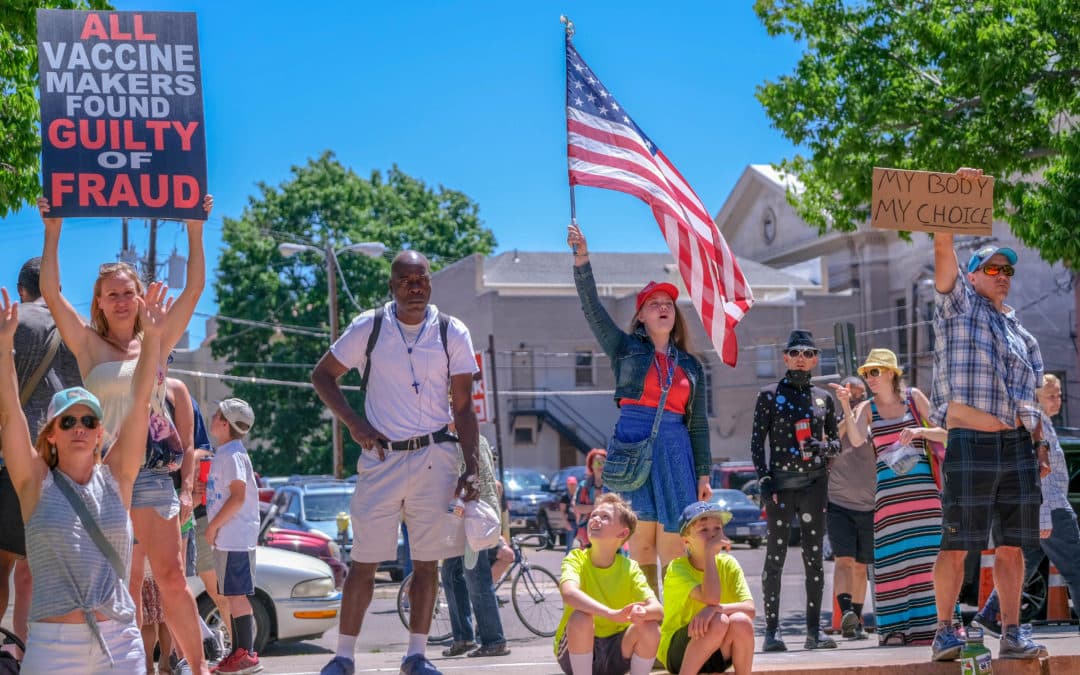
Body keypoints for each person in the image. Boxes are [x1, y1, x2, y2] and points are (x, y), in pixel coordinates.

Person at [38, 195, 214, 675]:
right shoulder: (89, 347)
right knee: (126, 584)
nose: (119, 300)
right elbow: (52, 293)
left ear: (139, 298)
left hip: (154, 478)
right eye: (110, 293)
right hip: (103, 477)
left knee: (173, 579)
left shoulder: (157, 340)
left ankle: (197, 669)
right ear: (97, 301)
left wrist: (195, 229)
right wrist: (53, 231)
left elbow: (194, 288)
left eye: (127, 292)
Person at [311, 250, 481, 675]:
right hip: (382, 458)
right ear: (392, 285)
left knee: (427, 563)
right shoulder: (369, 326)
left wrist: (472, 465)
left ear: (430, 283)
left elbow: (463, 407)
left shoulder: (451, 331)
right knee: (364, 563)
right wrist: (354, 424)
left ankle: (416, 656)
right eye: (405, 280)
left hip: (435, 456)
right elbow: (322, 375)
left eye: (421, 278)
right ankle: (344, 657)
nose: (414, 286)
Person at [0, 282, 167, 672]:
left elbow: (140, 403)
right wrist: (5, 348)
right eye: (68, 420)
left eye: (89, 420)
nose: (79, 426)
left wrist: (154, 337)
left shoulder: (118, 478)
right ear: (52, 433)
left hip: (119, 642)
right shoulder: (32, 485)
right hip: (52, 648)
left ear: (98, 432)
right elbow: (10, 416)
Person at [927, 167, 1049, 662]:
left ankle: (1013, 632)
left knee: (1015, 547)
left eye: (1008, 271)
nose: (1001, 276)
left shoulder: (1024, 334)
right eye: (992, 269)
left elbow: (1033, 403)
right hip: (971, 442)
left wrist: (1039, 449)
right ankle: (944, 630)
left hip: (1016, 445)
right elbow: (942, 251)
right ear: (973, 275)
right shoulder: (959, 305)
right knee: (958, 543)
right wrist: (954, 195)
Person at [568, 224, 712, 598]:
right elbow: (593, 311)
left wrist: (704, 473)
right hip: (633, 447)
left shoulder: (692, 367)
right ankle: (648, 631)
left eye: (668, 304)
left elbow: (697, 426)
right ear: (642, 317)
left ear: (675, 316)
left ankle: (673, 632)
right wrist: (582, 260)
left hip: (676, 451)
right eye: (653, 304)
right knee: (641, 544)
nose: (662, 308)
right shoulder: (625, 350)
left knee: (674, 546)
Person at [0, 256, 85, 654]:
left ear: (21, 290)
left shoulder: (12, 321)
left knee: (2, 563)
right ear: (55, 289)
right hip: (58, 459)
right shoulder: (75, 329)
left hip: (9, 457)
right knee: (38, 568)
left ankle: (8, 652)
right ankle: (34, 652)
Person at [837, 349, 945, 646]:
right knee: (892, 564)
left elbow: (946, 433)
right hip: (889, 499)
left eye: (875, 372)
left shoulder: (914, 397)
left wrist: (920, 431)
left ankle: (938, 627)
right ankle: (895, 630)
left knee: (929, 562)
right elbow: (857, 440)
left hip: (923, 496)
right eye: (867, 373)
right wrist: (847, 405)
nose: (870, 378)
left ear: (891, 373)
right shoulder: (867, 408)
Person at [750, 329, 841, 651]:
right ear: (785, 357)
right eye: (795, 353)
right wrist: (764, 480)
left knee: (814, 559)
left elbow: (837, 443)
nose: (801, 358)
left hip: (814, 486)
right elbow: (756, 443)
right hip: (780, 487)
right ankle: (772, 633)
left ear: (815, 358)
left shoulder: (824, 398)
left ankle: (814, 633)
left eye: (808, 353)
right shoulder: (769, 394)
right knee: (774, 558)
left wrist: (824, 445)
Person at [974, 374, 1080, 640]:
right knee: (1076, 566)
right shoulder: (1034, 426)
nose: (1058, 400)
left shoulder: (1043, 425)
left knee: (1025, 567)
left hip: (1043, 510)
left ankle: (987, 616)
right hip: (1051, 508)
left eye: (1059, 395)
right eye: (1052, 396)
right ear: (1036, 398)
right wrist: (1043, 515)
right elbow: (1038, 475)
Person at [554, 493, 663, 675]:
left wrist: (642, 612)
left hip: (616, 651)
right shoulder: (576, 558)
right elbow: (569, 593)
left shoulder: (630, 568)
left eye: (605, 517)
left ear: (622, 533)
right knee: (581, 618)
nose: (595, 519)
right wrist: (611, 614)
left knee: (650, 626)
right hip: (575, 650)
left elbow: (658, 610)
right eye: (594, 515)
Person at [659, 501, 755, 675]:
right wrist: (710, 555)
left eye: (717, 528)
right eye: (704, 530)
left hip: (716, 651)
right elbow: (711, 598)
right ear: (686, 541)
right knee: (719, 621)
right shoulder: (677, 568)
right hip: (678, 655)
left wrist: (714, 610)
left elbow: (750, 609)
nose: (712, 535)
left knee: (740, 621)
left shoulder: (729, 563)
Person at [204, 397, 261, 674]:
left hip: (234, 536)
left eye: (217, 415)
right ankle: (239, 653)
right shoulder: (226, 451)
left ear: (225, 423)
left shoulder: (233, 455)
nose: (212, 418)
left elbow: (237, 498)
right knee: (231, 594)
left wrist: (213, 526)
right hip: (230, 538)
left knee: (236, 596)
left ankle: (246, 654)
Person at [440, 435, 510, 659]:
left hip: (474, 518)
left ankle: (494, 640)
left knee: (476, 577)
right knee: (451, 573)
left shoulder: (462, 441)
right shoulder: (473, 439)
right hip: (470, 516)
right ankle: (464, 637)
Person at [825, 375, 876, 641]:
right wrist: (848, 410)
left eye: (860, 395)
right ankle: (845, 614)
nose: (856, 399)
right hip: (839, 504)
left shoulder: (871, 422)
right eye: (850, 394)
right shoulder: (835, 424)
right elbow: (830, 441)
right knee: (843, 561)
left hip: (870, 505)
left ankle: (855, 620)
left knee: (861, 566)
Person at [574, 449, 608, 550]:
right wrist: (596, 508)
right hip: (587, 533)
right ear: (591, 466)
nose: (601, 465)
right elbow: (578, 507)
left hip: (609, 532)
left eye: (604, 462)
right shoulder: (583, 486)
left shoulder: (613, 486)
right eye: (598, 462)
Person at [561, 475, 580, 554]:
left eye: (573, 484)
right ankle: (566, 562)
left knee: (581, 545)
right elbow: (563, 511)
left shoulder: (579, 495)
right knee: (570, 545)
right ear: (567, 485)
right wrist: (566, 523)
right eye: (570, 484)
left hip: (580, 522)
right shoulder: (565, 497)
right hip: (571, 522)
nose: (572, 486)